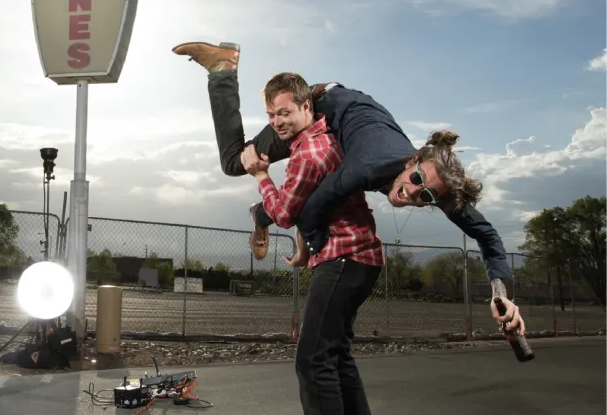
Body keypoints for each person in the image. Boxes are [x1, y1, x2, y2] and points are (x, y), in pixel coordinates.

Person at [172, 40, 525, 336]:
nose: (414, 193)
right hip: (320, 106)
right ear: (411, 162)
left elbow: (489, 237)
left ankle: (260, 212)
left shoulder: (435, 181)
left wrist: (502, 293)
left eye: (428, 196)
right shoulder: (367, 166)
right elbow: (309, 210)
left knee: (309, 190)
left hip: (351, 125)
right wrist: (309, 248)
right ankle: (222, 69)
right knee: (236, 163)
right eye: (416, 181)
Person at [241, 70, 387, 415]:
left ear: (307, 107)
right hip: (356, 256)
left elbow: (285, 212)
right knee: (337, 356)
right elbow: (312, 209)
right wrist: (307, 247)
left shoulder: (309, 154)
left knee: (313, 359)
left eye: (284, 112)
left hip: (345, 257)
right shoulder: (323, 142)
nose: (277, 121)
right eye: (270, 114)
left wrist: (260, 175)